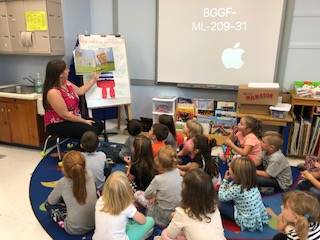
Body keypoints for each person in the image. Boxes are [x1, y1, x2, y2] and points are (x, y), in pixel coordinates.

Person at [43, 59, 103, 139]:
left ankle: (82, 145)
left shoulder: (66, 83)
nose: (68, 70)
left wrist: (94, 79)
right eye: (66, 69)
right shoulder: (53, 92)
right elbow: (65, 115)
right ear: (61, 75)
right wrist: (84, 121)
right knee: (92, 130)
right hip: (58, 123)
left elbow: (81, 91)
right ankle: (79, 147)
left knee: (99, 124)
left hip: (71, 119)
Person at [158, 169, 226, 240]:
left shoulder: (182, 212)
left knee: (163, 235)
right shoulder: (214, 206)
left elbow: (170, 235)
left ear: (186, 193)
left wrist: (176, 218)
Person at [45, 151, 97, 235]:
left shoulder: (63, 182)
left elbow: (51, 201)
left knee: (48, 205)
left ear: (64, 169)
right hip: (95, 221)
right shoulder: (90, 173)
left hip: (74, 229)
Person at [92, 171, 154, 240]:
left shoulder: (100, 200)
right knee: (150, 220)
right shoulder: (126, 205)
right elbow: (143, 221)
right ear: (126, 190)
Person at [218, 157, 269, 232]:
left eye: (230, 168)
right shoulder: (251, 182)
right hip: (256, 215)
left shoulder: (237, 188)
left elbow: (220, 196)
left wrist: (225, 180)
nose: (228, 169)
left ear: (236, 174)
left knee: (218, 203)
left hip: (246, 220)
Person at [144, 145, 183, 226]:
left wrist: (154, 195)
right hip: (177, 212)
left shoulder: (158, 179)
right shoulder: (178, 171)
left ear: (159, 164)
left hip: (162, 215)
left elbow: (146, 195)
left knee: (138, 194)